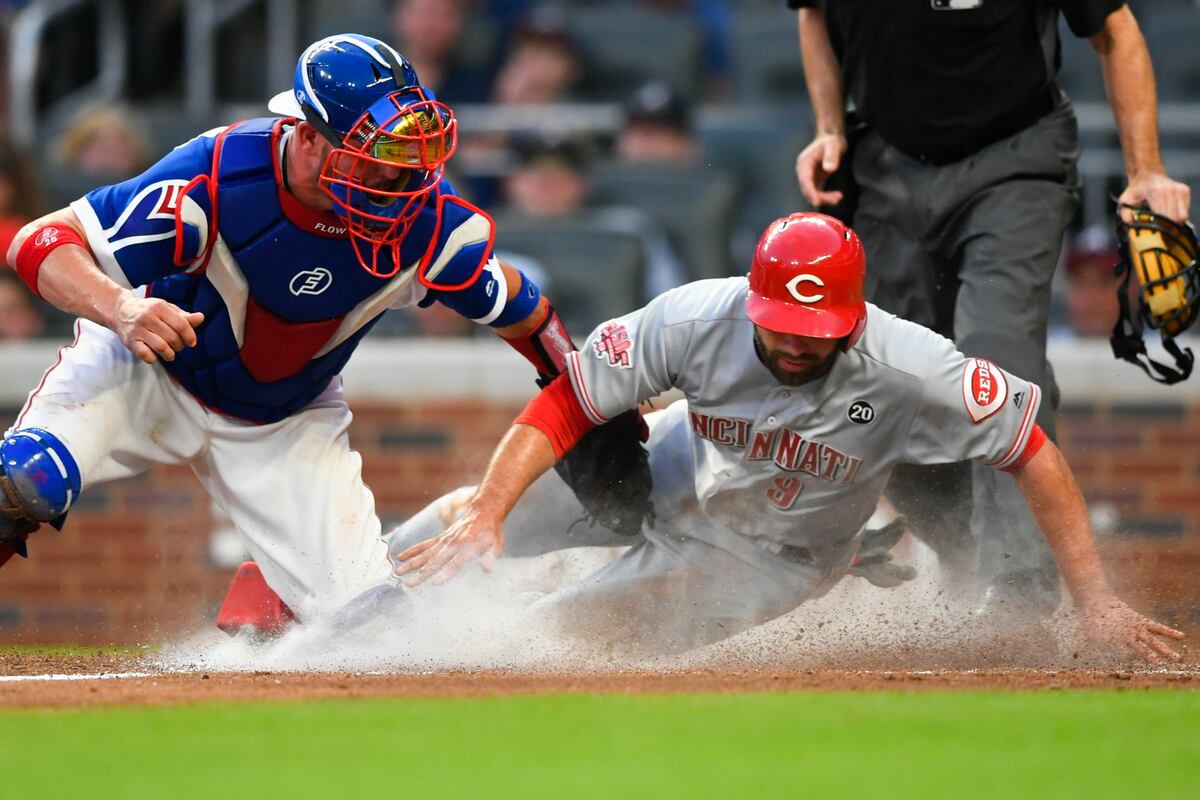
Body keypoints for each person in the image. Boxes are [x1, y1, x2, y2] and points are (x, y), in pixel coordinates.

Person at [386, 213, 1183, 664]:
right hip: (675, 461)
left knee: (554, 636)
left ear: (855, 315)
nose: (798, 344)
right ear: (752, 300)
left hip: (765, 560)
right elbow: (568, 403)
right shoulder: (696, 316)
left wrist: (1098, 602)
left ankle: (396, 673)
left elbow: (1031, 451)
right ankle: (324, 618)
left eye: (818, 330)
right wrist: (491, 509)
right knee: (458, 521)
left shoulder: (911, 367)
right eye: (783, 327)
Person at [0, 34, 588, 622]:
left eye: (406, 154)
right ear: (308, 136)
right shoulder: (221, 178)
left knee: (376, 630)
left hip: (285, 417)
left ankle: (277, 601)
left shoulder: (430, 220)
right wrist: (120, 307)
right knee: (29, 479)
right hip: (148, 365)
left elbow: (522, 308)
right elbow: (41, 242)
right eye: (374, 155)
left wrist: (585, 400)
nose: (397, 179)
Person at [789, 1, 1193, 617]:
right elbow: (813, 12)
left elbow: (1114, 26)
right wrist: (829, 127)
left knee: (996, 356)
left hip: (1015, 157)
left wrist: (1146, 170)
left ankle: (1020, 586)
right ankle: (966, 551)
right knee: (883, 380)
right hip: (887, 165)